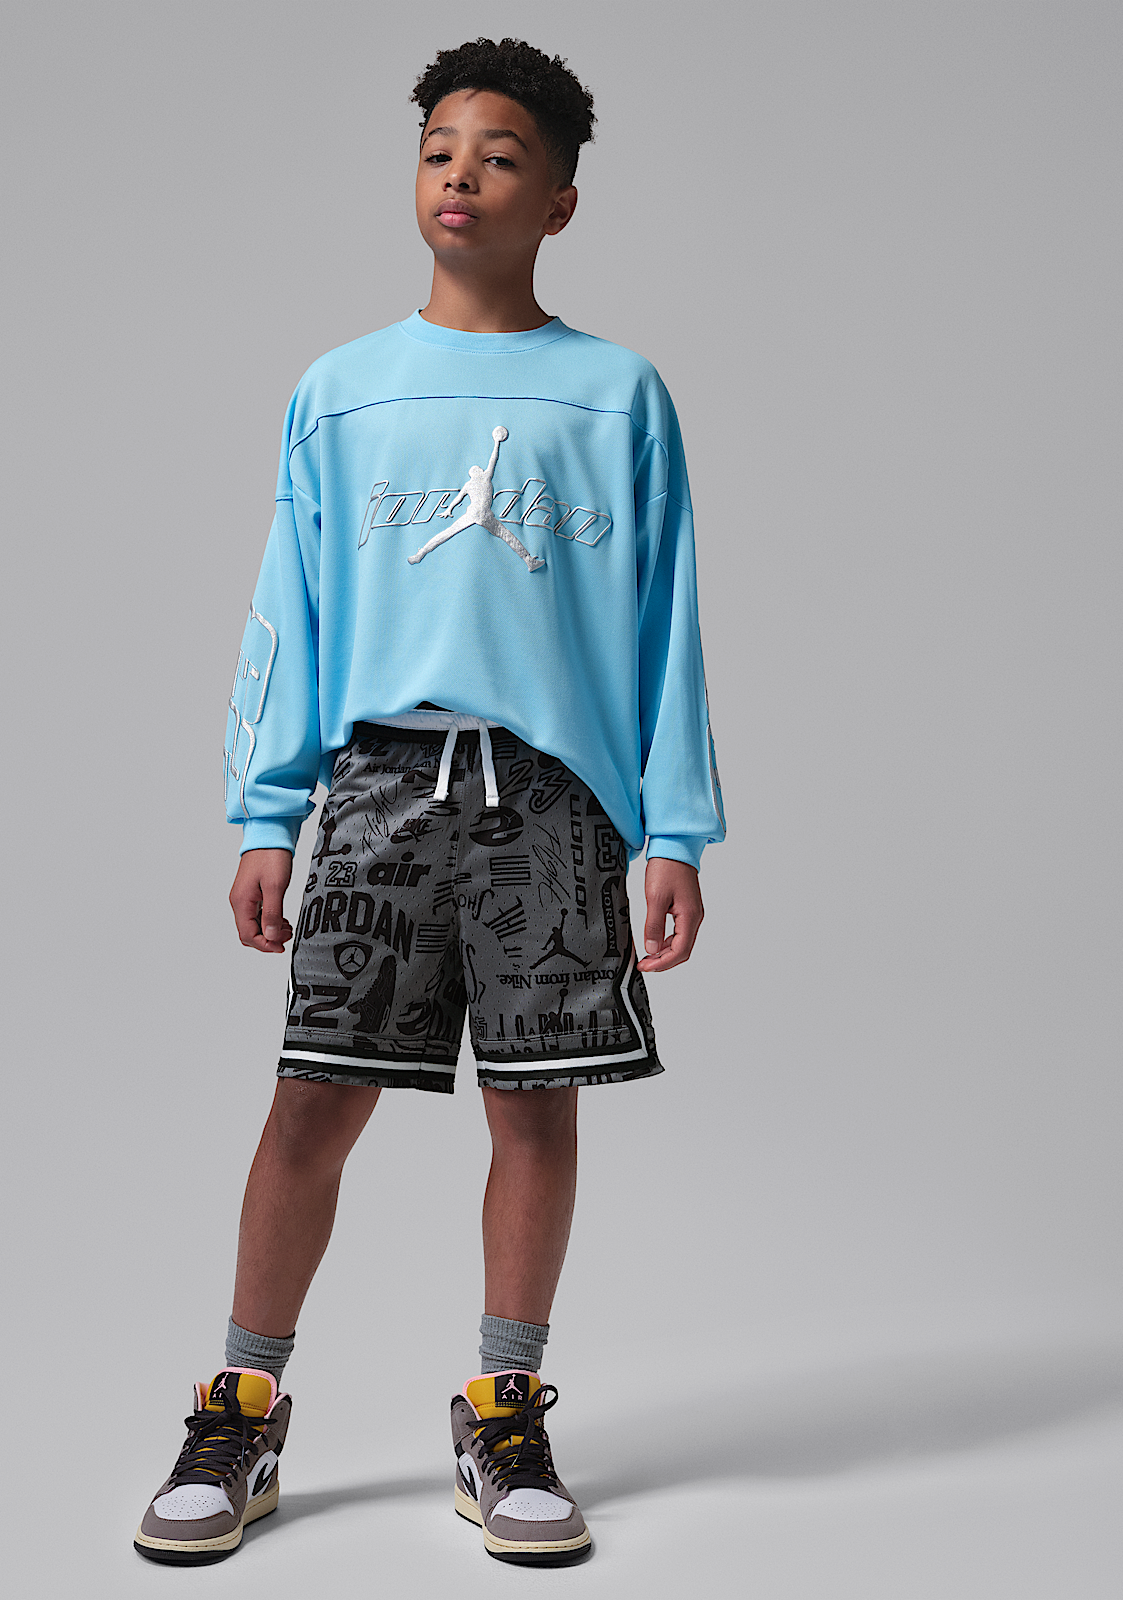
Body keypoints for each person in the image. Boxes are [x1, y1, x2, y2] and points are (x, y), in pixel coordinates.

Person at [134, 35, 725, 1569]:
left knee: (534, 1105)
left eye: (501, 155)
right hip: (382, 788)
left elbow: (664, 624)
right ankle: (241, 1406)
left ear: (561, 202)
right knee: (312, 1101)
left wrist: (674, 829)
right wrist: (267, 811)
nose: (462, 174)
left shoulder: (616, 395)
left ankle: (504, 1407)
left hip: (556, 799)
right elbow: (292, 609)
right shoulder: (341, 392)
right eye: (439, 150)